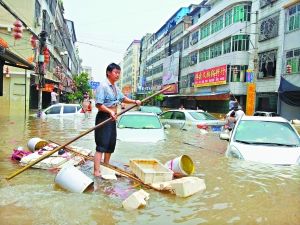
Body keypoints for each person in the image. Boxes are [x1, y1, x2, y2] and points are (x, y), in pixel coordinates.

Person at [94, 63, 141, 177]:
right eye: (116, 72)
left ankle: (106, 167)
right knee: (101, 145)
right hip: (103, 117)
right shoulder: (103, 86)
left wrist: (134, 101)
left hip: (112, 118)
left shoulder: (115, 87)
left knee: (110, 144)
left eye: (119, 73)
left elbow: (123, 98)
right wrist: (110, 111)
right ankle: (96, 171)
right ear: (108, 73)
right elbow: (98, 105)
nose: (118, 75)